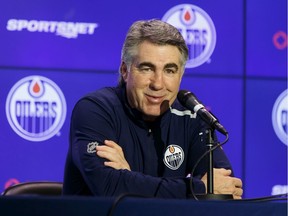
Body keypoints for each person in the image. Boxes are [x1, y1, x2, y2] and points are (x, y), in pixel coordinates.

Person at [63, 19, 243, 199]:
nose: (158, 84)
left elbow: (225, 188)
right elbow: (110, 186)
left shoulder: (193, 116)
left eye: (169, 71)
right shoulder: (96, 110)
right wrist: (196, 189)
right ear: (125, 71)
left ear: (181, 75)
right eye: (147, 68)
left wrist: (129, 178)